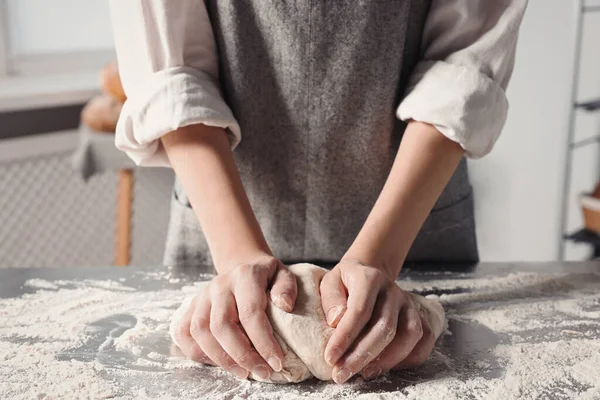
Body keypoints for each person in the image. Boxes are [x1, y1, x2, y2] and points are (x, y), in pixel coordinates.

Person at [109, 0, 527, 384]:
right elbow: (170, 71)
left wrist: (379, 257)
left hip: (414, 220)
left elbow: (462, 65)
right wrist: (237, 256)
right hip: (219, 223)